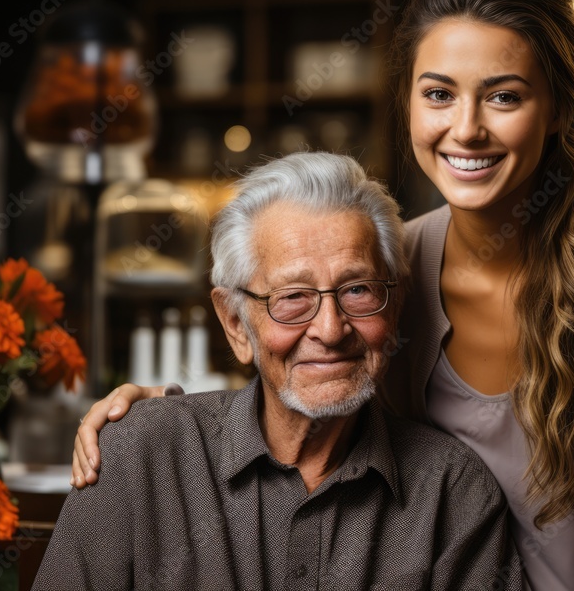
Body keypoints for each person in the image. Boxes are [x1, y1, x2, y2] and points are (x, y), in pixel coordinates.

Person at [72, 0, 574, 590]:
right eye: (439, 94)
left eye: (504, 97)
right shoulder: (393, 264)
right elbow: (304, 375)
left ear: (560, 107)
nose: (466, 128)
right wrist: (159, 421)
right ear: (410, 104)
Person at [36, 152, 522, 590]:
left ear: (392, 309)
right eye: (293, 298)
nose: (330, 330)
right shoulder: (138, 457)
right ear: (236, 325)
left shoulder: (453, 497)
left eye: (358, 290)